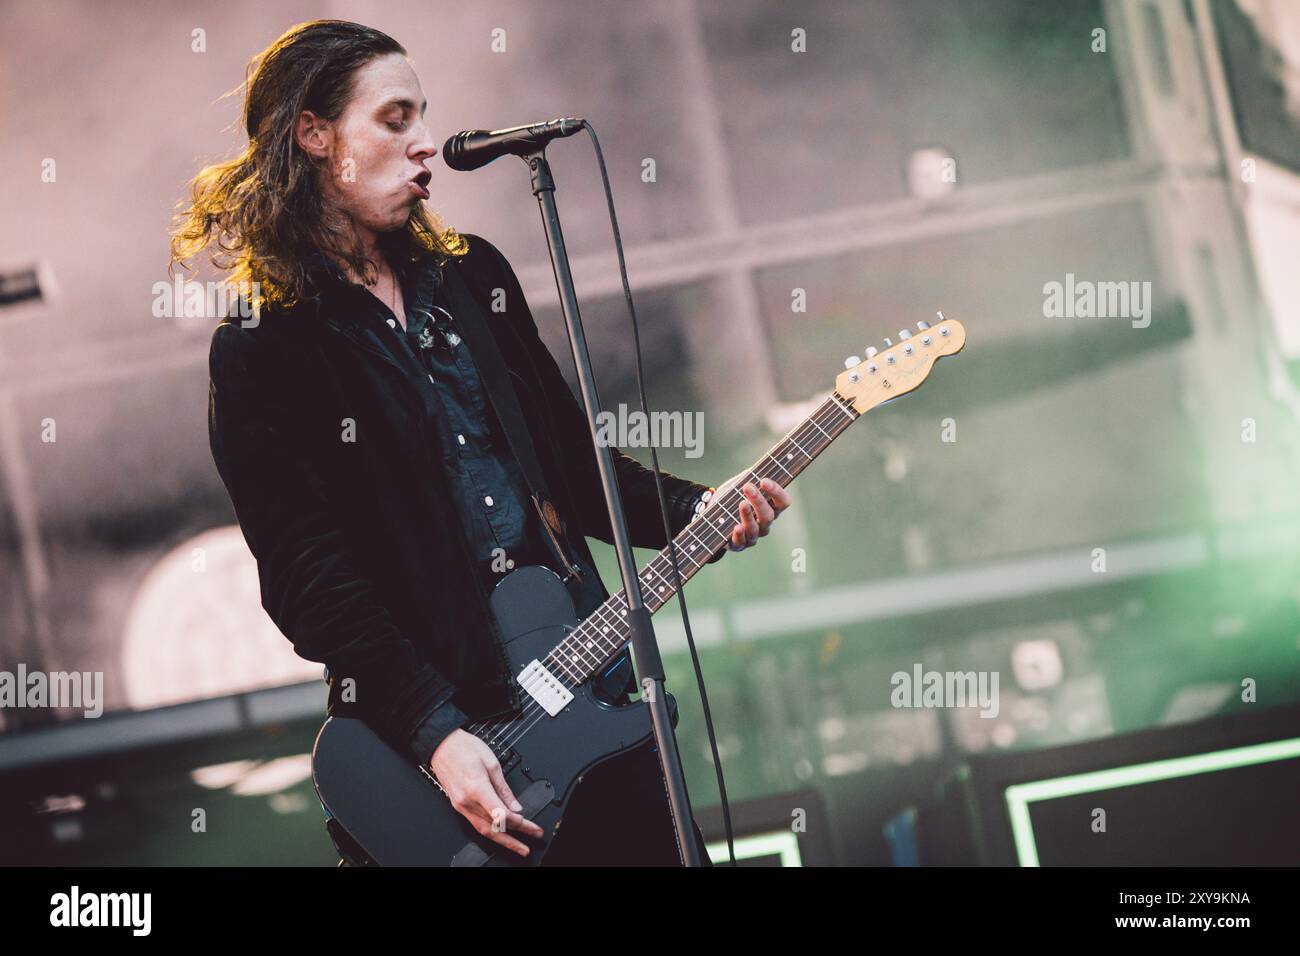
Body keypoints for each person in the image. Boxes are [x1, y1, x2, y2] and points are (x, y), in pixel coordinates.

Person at [173, 19, 791, 866]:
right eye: (394, 119)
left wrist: (697, 508)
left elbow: (573, 470)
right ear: (314, 136)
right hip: (441, 749)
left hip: (591, 692)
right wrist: (436, 735)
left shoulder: (474, 279)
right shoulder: (264, 346)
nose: (426, 142)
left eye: (424, 116)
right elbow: (307, 576)